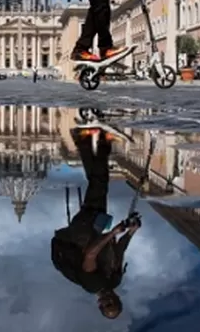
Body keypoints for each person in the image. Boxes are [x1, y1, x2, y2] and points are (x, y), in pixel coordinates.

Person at [51, 125, 140, 319]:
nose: (108, 300)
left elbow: (90, 254)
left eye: (105, 305)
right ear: (118, 299)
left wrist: (114, 232)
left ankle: (101, 141)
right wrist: (131, 233)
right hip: (97, 229)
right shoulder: (115, 280)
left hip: (82, 232)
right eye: (113, 303)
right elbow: (118, 252)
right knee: (98, 183)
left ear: (99, 304)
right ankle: (84, 140)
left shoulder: (92, 285)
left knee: (99, 182)